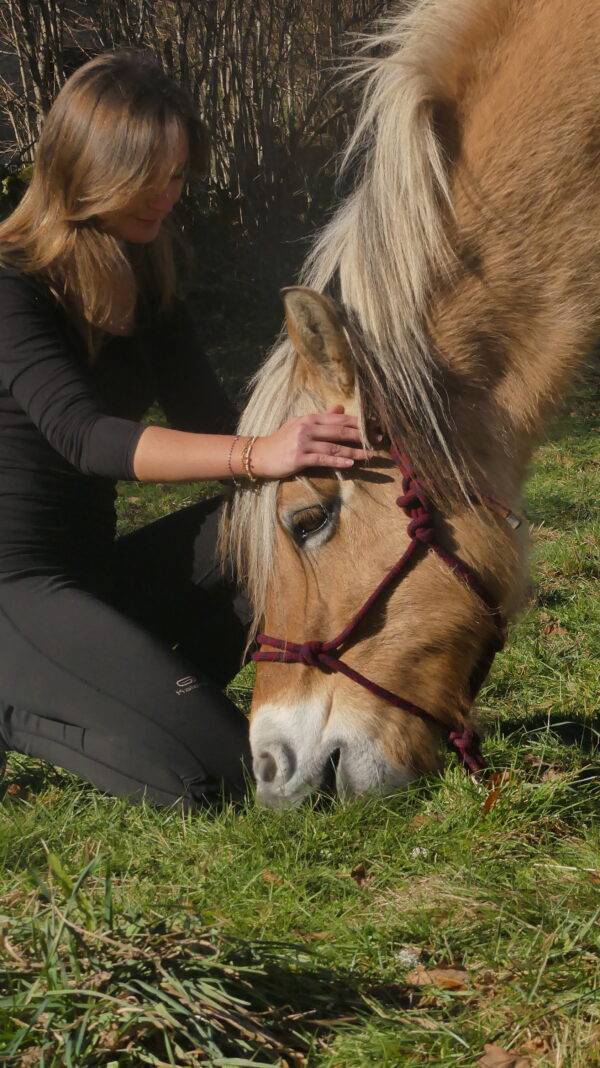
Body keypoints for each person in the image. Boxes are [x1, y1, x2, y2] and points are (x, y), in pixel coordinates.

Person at [0, 49, 369, 811]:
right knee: (217, 783)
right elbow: (85, 436)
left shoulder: (144, 273)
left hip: (93, 579)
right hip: (16, 590)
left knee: (281, 518)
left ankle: (133, 690)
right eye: (150, 176)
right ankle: (29, 704)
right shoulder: (10, 282)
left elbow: (213, 422)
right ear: (88, 164)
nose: (168, 196)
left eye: (177, 176)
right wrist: (256, 453)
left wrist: (320, 434)